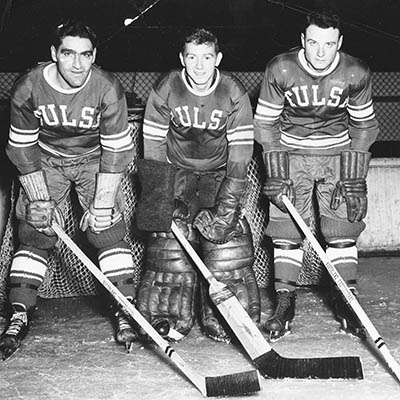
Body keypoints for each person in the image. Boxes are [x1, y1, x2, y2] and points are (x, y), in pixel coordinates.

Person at [0, 19, 137, 360]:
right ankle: (19, 312)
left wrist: (103, 204)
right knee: (36, 230)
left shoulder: (107, 87)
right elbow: (21, 147)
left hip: (95, 158)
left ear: (94, 56)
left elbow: (118, 151)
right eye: (68, 54)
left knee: (107, 231)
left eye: (86, 55)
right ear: (53, 54)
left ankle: (125, 309)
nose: (78, 64)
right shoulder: (28, 87)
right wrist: (38, 197)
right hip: (46, 159)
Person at [254, 8, 379, 341]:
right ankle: (284, 302)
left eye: (328, 44)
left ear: (339, 42)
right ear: (302, 41)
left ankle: (346, 300)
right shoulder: (280, 68)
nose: (321, 52)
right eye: (313, 43)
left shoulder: (355, 71)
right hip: (291, 155)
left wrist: (354, 176)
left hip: (337, 154)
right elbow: (265, 123)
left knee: (341, 227)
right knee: (285, 230)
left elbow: (364, 126)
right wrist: (276, 170)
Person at [135, 28, 260, 342]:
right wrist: (161, 199)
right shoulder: (166, 88)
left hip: (219, 172)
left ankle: (223, 314)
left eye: (207, 58)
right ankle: (170, 314)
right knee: (169, 237)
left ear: (218, 58)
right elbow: (152, 147)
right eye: (192, 57)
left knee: (227, 238)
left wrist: (228, 207)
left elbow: (241, 153)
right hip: (177, 172)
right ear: (182, 59)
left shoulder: (233, 91)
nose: (200, 66)